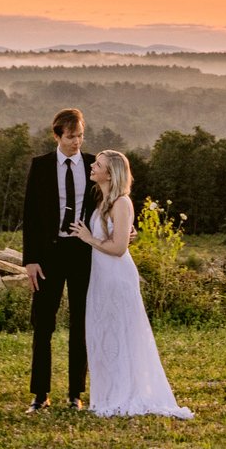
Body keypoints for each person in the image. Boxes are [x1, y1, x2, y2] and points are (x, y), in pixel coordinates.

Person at [70, 149, 193, 419]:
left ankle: (126, 392)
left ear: (110, 173)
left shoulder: (122, 203)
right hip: (101, 277)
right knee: (103, 333)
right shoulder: (102, 201)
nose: (92, 166)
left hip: (116, 276)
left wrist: (88, 238)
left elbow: (117, 249)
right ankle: (109, 393)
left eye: (98, 164)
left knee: (122, 334)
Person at [20, 107, 98, 412]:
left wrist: (124, 226)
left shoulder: (93, 164)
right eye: (70, 136)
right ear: (57, 135)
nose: (76, 142)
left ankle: (76, 394)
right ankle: (40, 395)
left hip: (82, 254)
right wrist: (30, 260)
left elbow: (112, 199)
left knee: (81, 324)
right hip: (48, 257)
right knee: (43, 325)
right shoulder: (40, 166)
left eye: (80, 136)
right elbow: (30, 215)